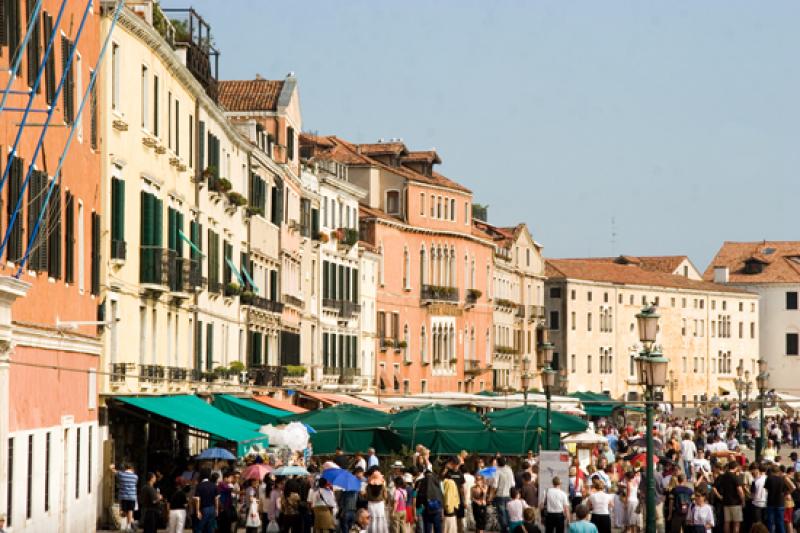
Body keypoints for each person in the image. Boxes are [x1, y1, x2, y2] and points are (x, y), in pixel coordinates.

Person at [713, 462, 744, 533]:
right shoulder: (735, 477)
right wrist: (743, 501)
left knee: (727, 522)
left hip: (726, 503)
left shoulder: (723, 476)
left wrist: (719, 496)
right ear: (735, 467)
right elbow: (740, 491)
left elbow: (714, 487)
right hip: (735, 503)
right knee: (736, 523)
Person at [110, 463, 138, 532]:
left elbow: (113, 471)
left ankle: (129, 523)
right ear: (132, 469)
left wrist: (111, 467)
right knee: (130, 510)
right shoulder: (135, 476)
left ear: (125, 469)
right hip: (132, 496)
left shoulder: (121, 474)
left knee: (124, 511)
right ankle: (130, 524)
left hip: (123, 496)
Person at [495, 457, 516, 533]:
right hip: (509, 495)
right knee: (508, 513)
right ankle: (509, 529)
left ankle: (504, 530)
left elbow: (495, 485)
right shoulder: (509, 470)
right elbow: (513, 483)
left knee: (501, 514)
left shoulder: (498, 471)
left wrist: (491, 494)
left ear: (498, 463)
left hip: (500, 495)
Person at [766, 465, 789, 533]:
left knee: (770, 522)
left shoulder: (769, 478)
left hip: (771, 502)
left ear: (772, 471)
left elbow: (766, 490)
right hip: (780, 503)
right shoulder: (782, 479)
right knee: (780, 522)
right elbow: (785, 490)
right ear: (778, 471)